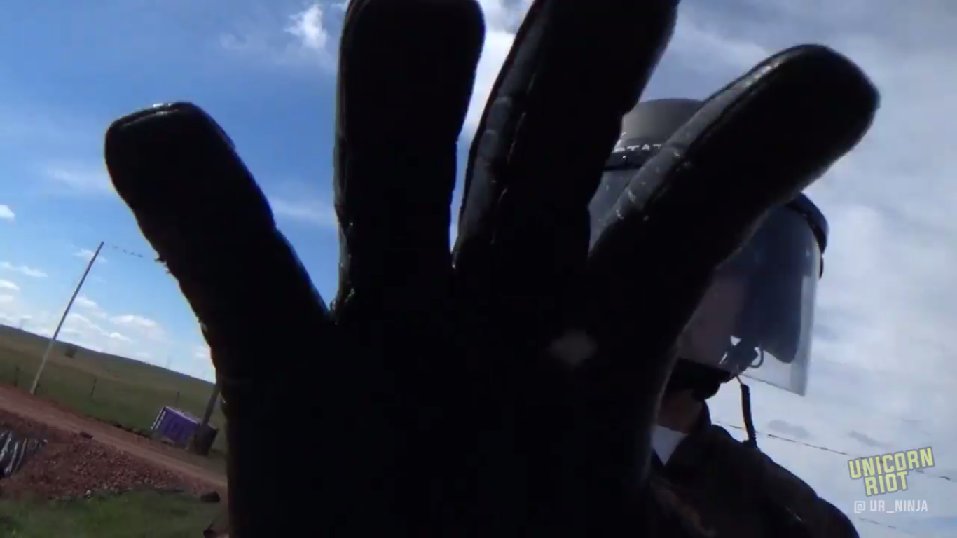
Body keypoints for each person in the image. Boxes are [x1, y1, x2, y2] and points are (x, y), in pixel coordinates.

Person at [102, 0, 879, 535]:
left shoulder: (796, 521)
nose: (704, 271)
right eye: (709, 241)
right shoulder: (424, 411)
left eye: (739, 255)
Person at [590, 99, 859, 537]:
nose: (677, 277)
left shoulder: (797, 523)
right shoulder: (485, 451)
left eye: (724, 256)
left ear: (758, 306)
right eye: (653, 244)